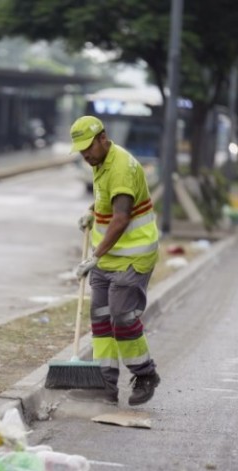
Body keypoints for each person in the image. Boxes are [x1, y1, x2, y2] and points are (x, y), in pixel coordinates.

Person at [71, 115, 161, 406]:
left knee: (122, 319)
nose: (85, 154)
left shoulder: (121, 167)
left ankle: (146, 374)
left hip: (131, 257)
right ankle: (105, 384)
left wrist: (92, 257)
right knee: (100, 319)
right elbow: (106, 201)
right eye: (81, 150)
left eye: (89, 147)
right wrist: (92, 211)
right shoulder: (101, 162)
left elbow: (121, 218)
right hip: (107, 258)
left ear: (103, 138)